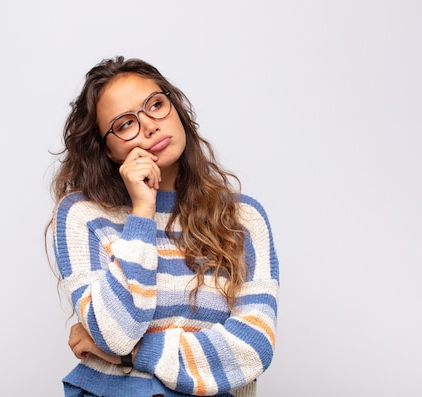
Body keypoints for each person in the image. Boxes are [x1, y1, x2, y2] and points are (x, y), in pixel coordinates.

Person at [47, 56, 279, 397]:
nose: (149, 126)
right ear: (109, 150)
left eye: (156, 105)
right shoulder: (82, 215)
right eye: (125, 124)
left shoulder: (243, 219)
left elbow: (252, 349)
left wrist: (132, 355)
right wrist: (142, 211)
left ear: (177, 110)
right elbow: (116, 333)